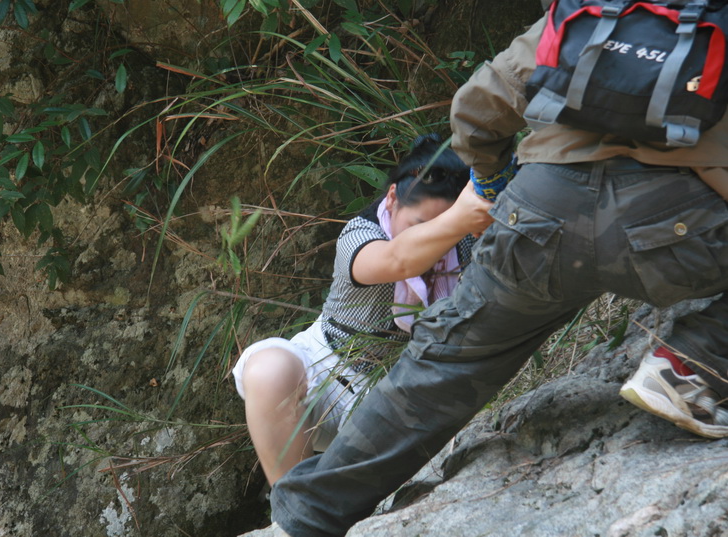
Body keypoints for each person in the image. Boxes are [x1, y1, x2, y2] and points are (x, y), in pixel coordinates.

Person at [267, 8, 728, 537]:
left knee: (442, 364)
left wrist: (494, 181)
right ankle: (693, 365)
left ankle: (304, 519)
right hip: (681, 235)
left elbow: (477, 107)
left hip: (537, 219)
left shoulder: (593, 14)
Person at [231, 134, 494, 486]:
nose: (434, 239)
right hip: (324, 373)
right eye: (421, 225)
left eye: (443, 226)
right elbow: (398, 260)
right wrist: (459, 220)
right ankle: (293, 508)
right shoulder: (361, 233)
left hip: (400, 389)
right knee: (269, 370)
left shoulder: (464, 241)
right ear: (392, 198)